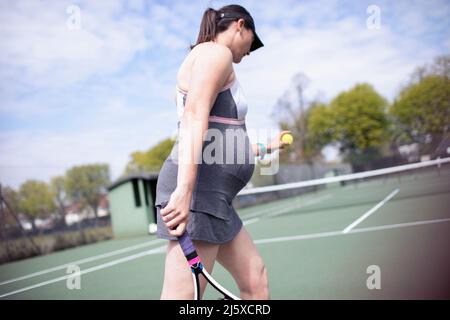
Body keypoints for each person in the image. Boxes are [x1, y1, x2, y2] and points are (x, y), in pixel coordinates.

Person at [154, 4, 290, 300]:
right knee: (183, 299)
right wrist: (185, 191)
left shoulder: (212, 57)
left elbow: (222, 145)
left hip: (215, 198)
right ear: (240, 25)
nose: (250, 52)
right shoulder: (216, 53)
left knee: (255, 280)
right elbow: (194, 115)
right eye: (251, 43)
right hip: (199, 195)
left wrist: (269, 146)